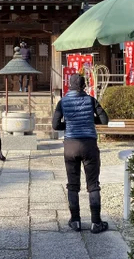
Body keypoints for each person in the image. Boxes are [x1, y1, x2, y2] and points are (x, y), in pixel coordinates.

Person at [52, 73, 109, 234]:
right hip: (89, 144)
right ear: (84, 86)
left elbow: (55, 125)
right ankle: (96, 223)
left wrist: (69, 125)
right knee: (93, 185)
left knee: (72, 185)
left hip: (70, 145)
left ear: (69, 85)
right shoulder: (91, 100)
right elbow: (105, 120)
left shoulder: (62, 102)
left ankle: (75, 221)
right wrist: (90, 121)